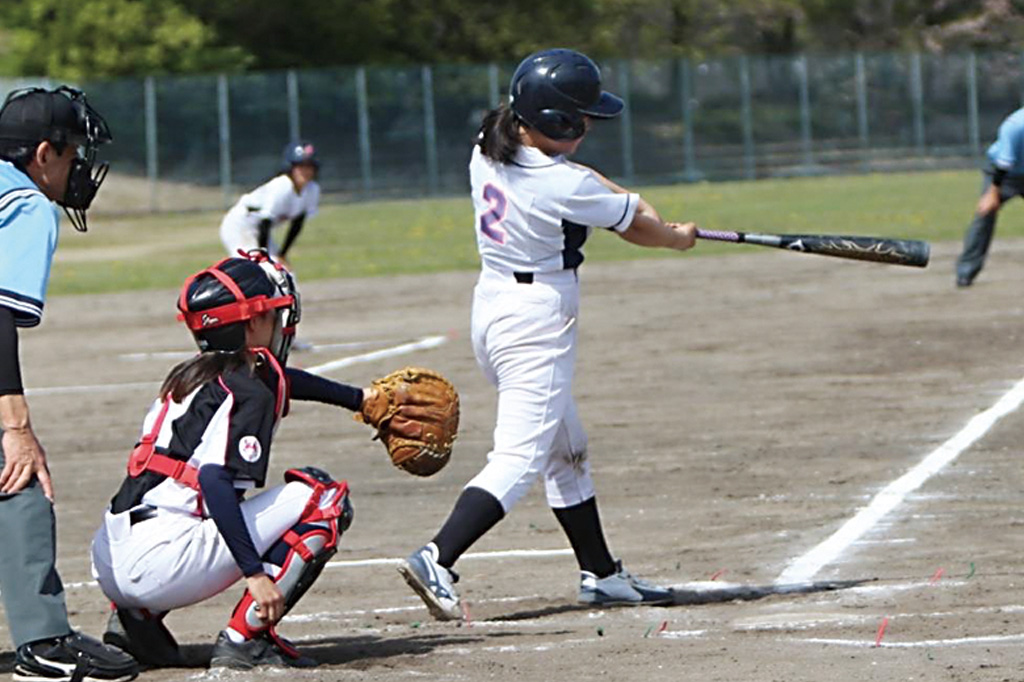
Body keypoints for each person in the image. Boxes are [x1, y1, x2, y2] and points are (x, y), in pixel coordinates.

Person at [397, 48, 698, 621]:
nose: (588, 126)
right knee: (520, 457)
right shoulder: (561, 184)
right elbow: (639, 225)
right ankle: (438, 556)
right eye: (581, 118)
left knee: (566, 449)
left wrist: (642, 212)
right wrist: (677, 237)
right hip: (536, 321)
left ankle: (601, 573)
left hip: (493, 307)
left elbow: (599, 189)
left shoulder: (491, 139)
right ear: (557, 122)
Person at [89, 250, 383, 671]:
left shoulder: (191, 374)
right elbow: (214, 480)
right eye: (270, 314)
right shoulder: (248, 391)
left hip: (111, 561)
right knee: (323, 499)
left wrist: (359, 400)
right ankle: (245, 639)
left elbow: (284, 380)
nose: (279, 323)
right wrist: (255, 574)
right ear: (251, 322)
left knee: (197, 502)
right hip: (159, 563)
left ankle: (136, 624)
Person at [0, 86, 139, 682]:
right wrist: (17, 427)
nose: (76, 165)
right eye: (70, 151)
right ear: (42, 153)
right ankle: (44, 640)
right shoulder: (27, 203)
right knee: (20, 482)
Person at [218, 141, 321, 269]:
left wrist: (282, 254)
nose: (305, 171)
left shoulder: (312, 190)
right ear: (291, 167)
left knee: (282, 270)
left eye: (309, 166)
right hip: (240, 226)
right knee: (252, 268)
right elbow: (264, 223)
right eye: (300, 166)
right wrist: (263, 256)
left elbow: (297, 223)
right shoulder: (283, 186)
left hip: (259, 231)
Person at [955, 106, 1024, 287]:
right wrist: (992, 194)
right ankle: (966, 271)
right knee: (985, 215)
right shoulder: (1016, 126)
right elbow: (1004, 163)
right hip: (1003, 177)